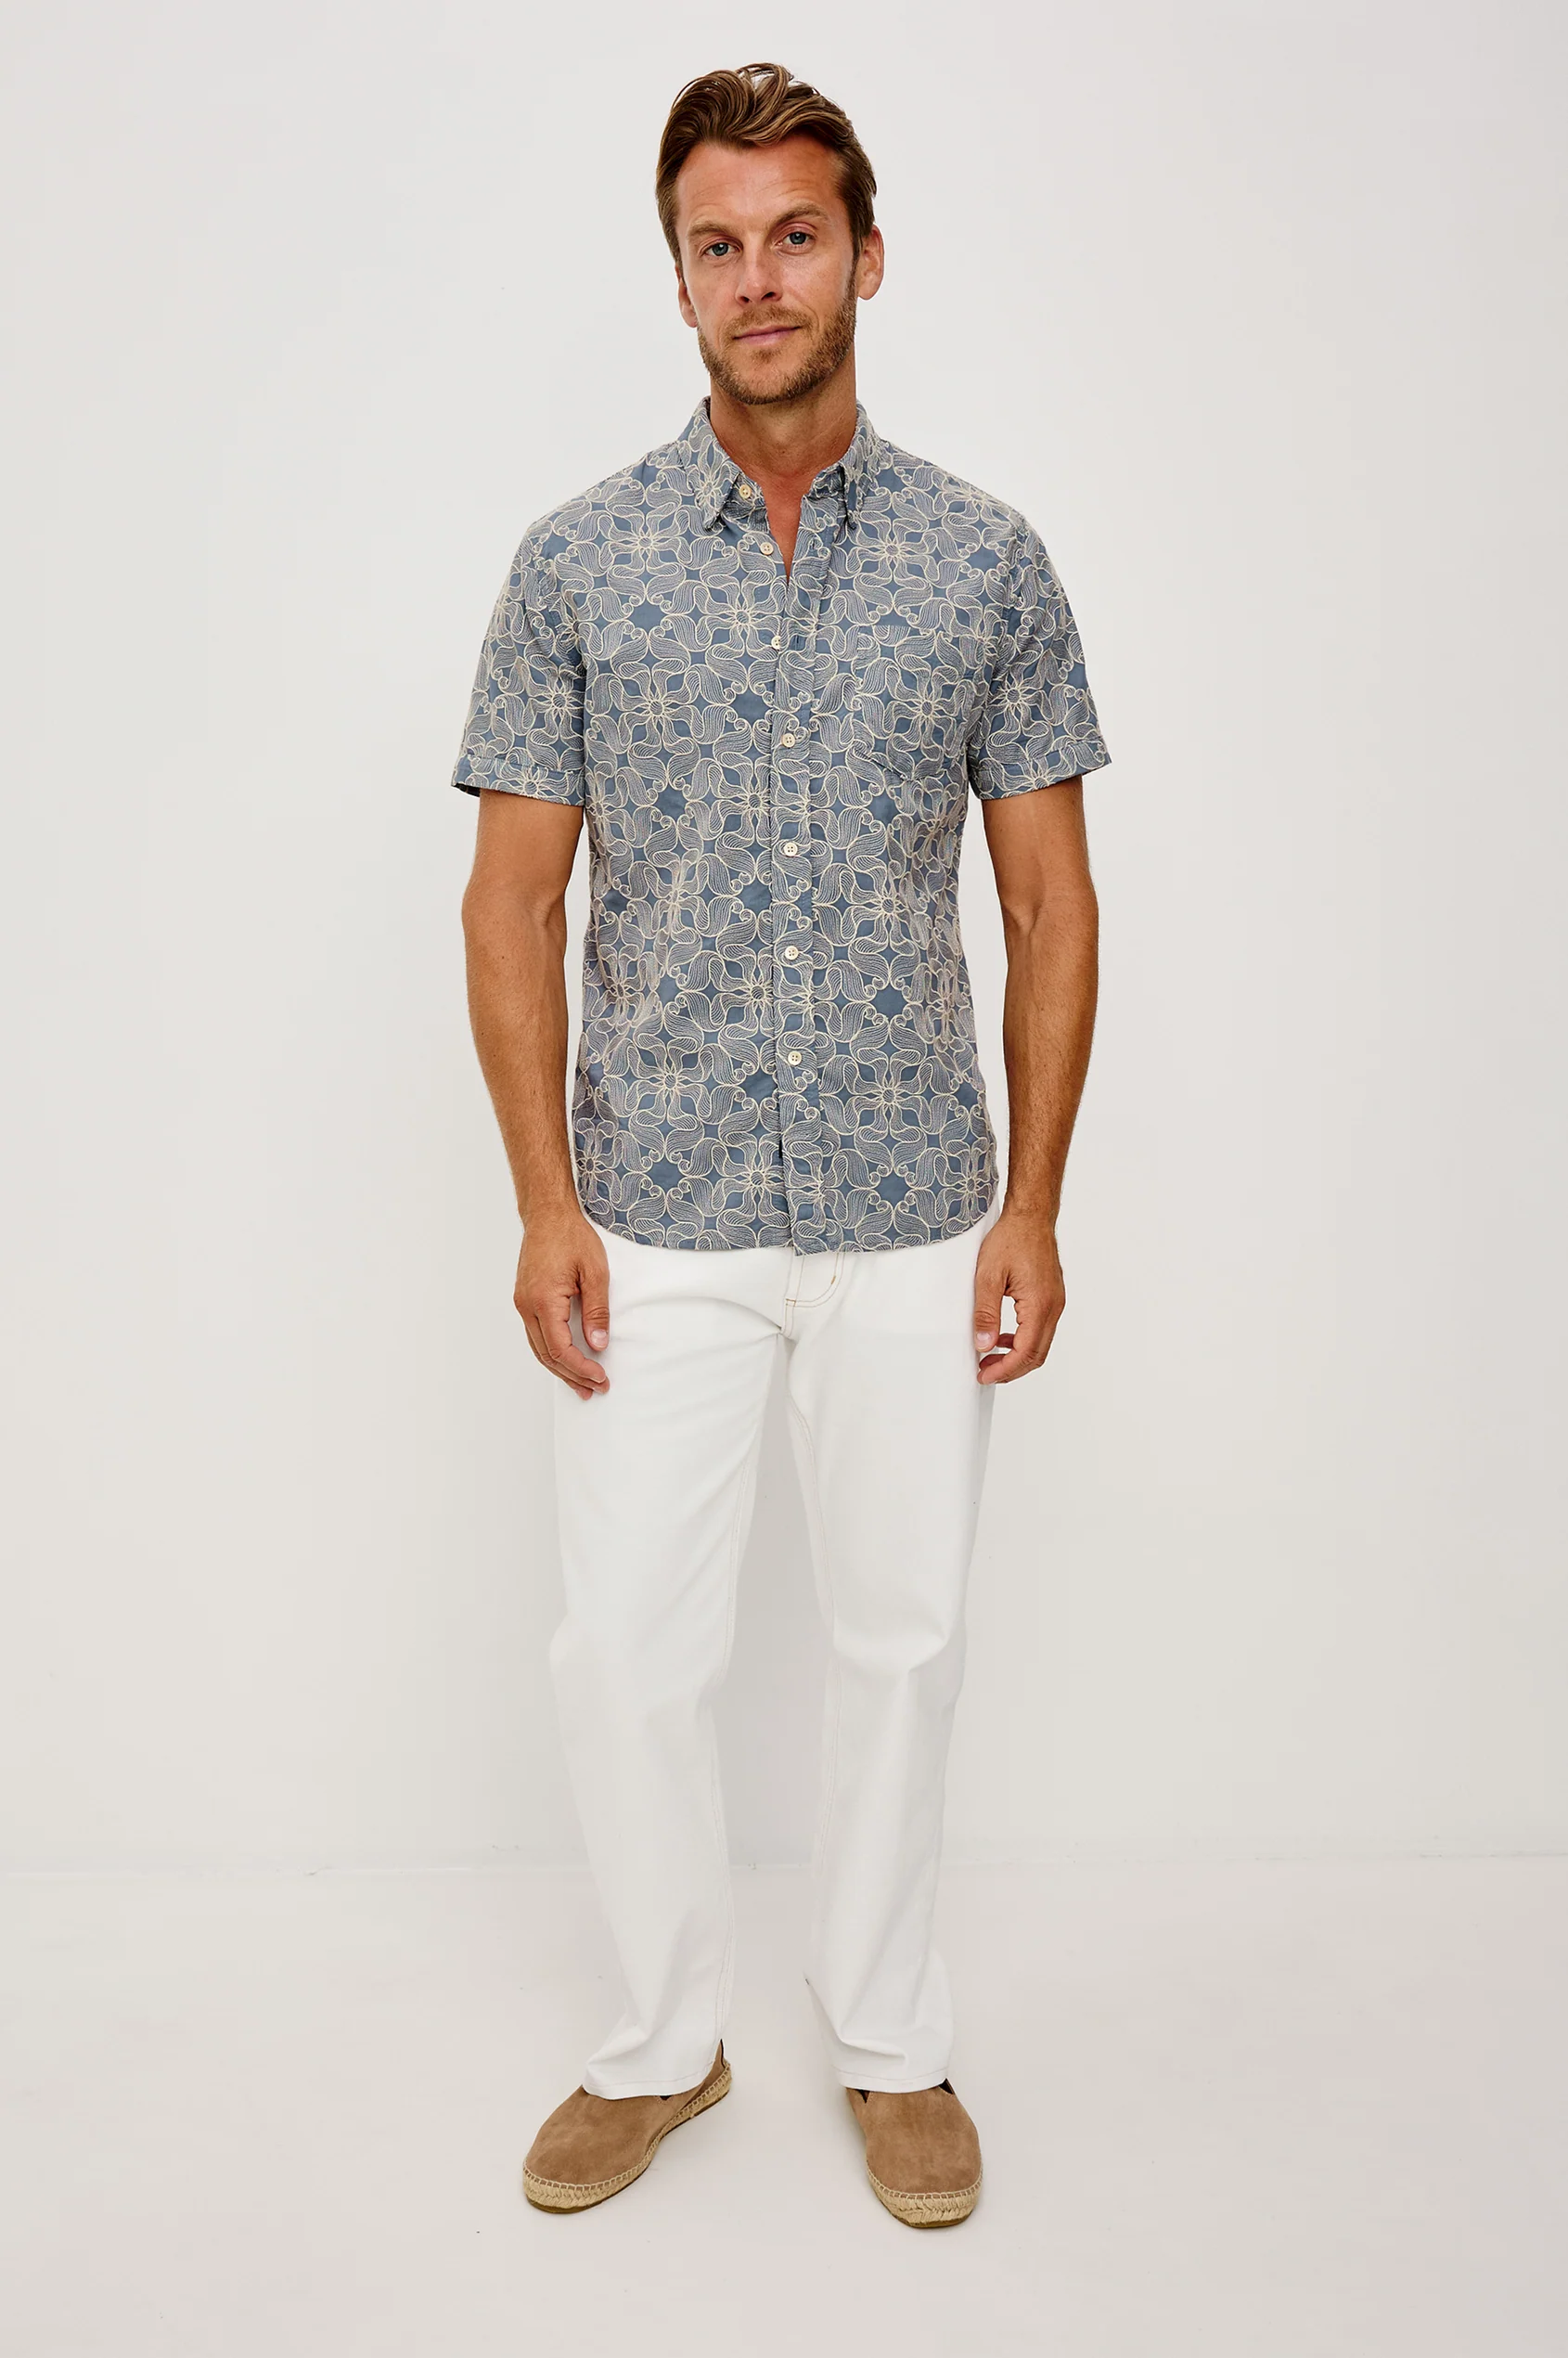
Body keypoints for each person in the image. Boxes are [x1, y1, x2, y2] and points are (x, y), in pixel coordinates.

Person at [452, 60, 1109, 2228]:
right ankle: (663, 2042)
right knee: (622, 1651)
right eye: (715, 245)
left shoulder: (985, 561)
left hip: (914, 1200)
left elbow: (1046, 905)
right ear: (677, 282)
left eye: (793, 236)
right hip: (652, 1207)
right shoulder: (573, 564)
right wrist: (544, 1204)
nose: (756, 279)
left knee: (901, 1641)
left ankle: (891, 2040)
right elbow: (507, 905)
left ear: (865, 258)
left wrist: (1033, 1203)